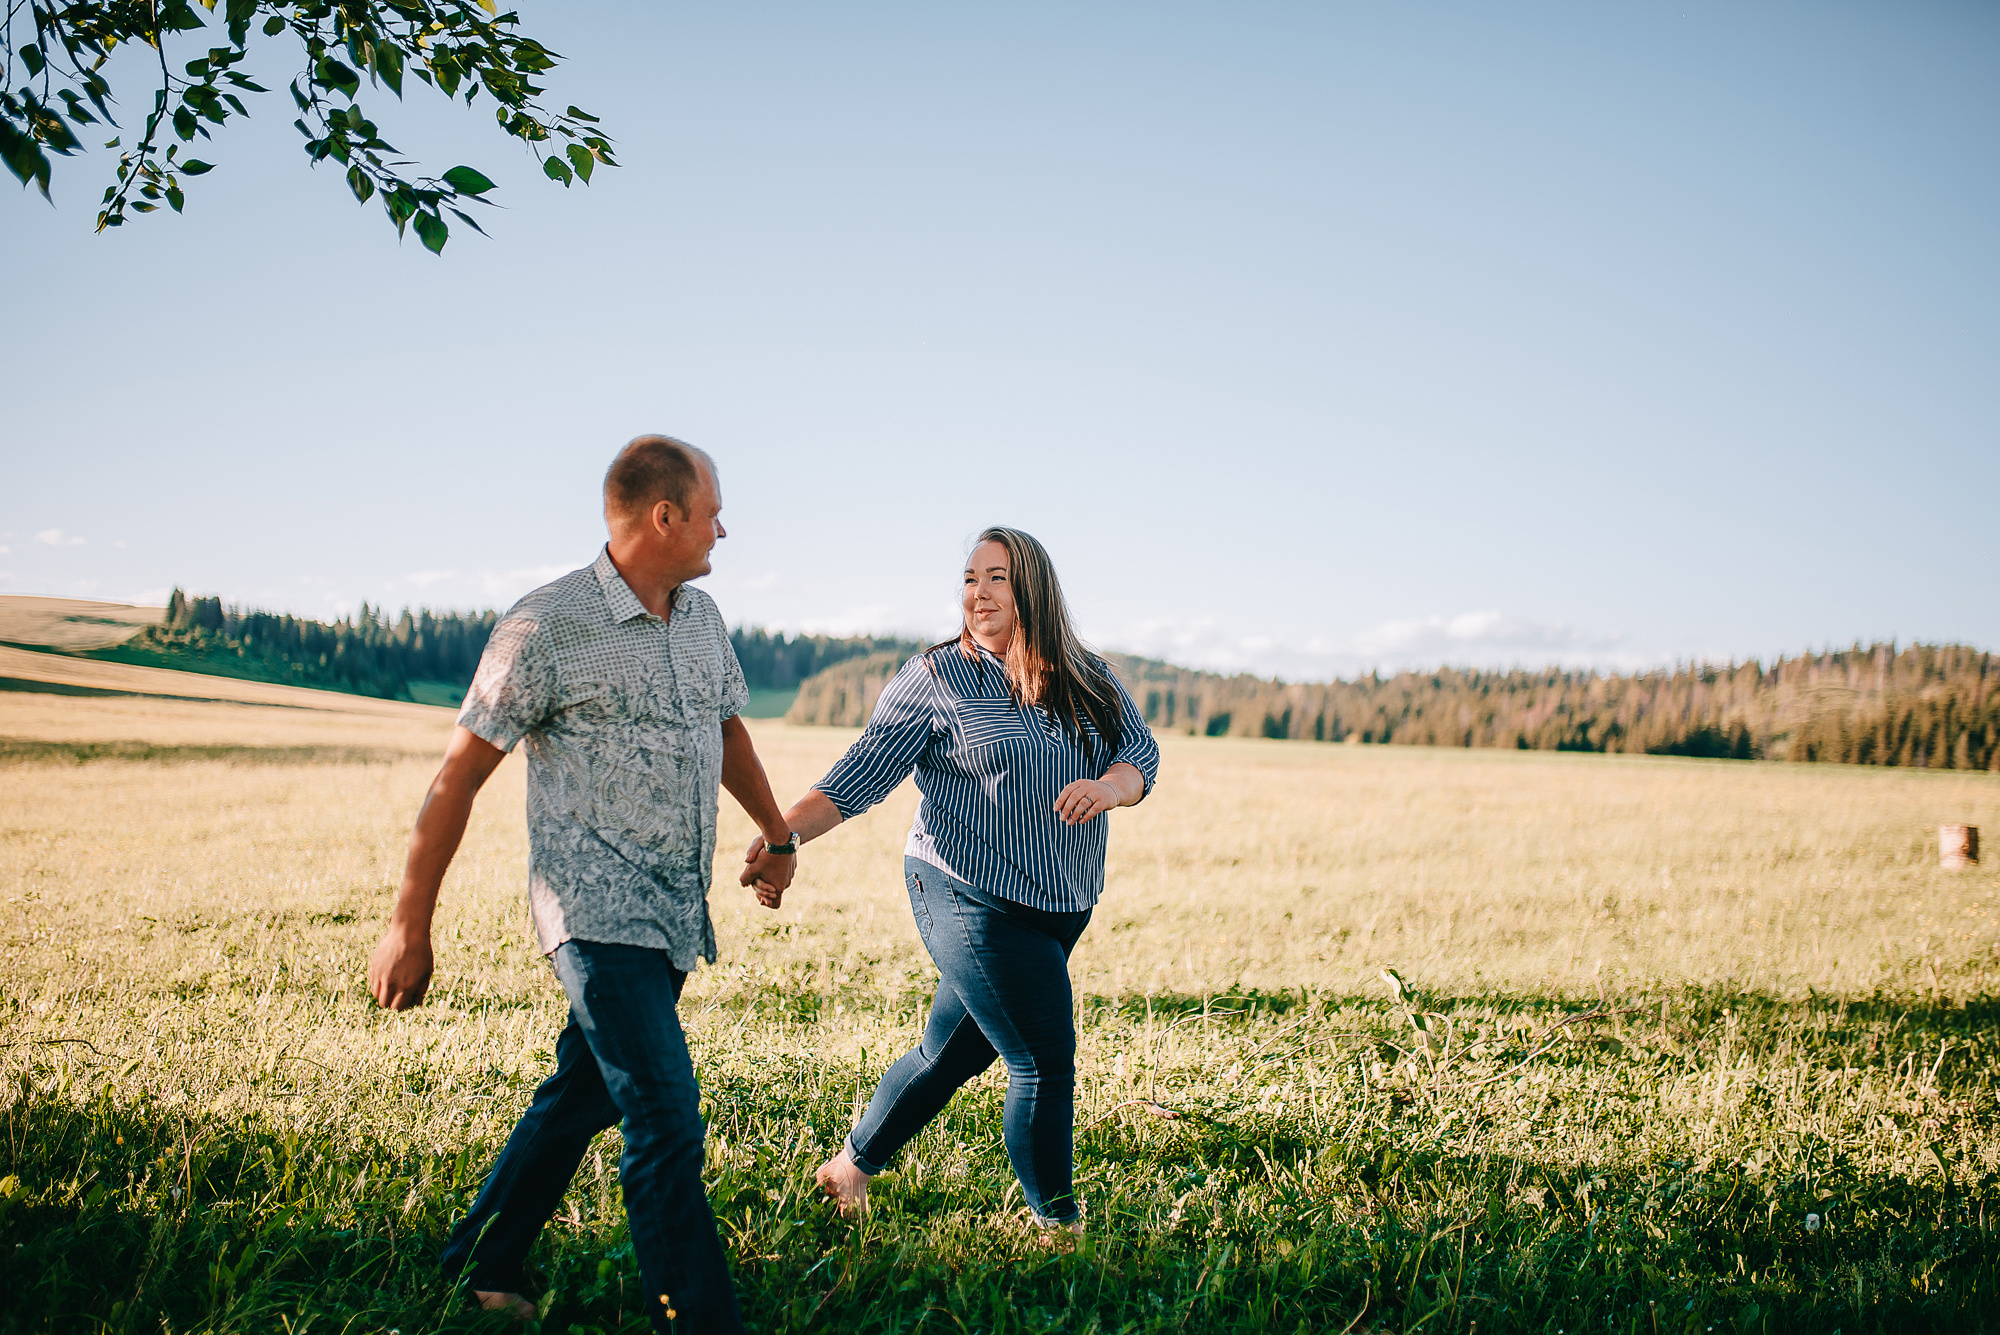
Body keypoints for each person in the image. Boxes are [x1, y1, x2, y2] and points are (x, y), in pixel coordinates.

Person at [366, 435, 798, 1335]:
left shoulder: (703, 619)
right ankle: (697, 1318)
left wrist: (776, 830)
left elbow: (726, 733)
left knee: (586, 1089)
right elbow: (457, 777)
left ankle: (479, 1256)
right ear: (663, 515)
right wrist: (410, 923)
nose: (727, 525)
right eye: (713, 507)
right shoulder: (547, 625)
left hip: (674, 909)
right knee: (666, 1118)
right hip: (592, 912)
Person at [743, 526, 1160, 1230]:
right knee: (1042, 1058)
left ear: (1032, 589)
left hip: (1060, 899)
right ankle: (1060, 1224)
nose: (978, 593)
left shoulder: (1087, 674)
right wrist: (783, 836)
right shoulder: (936, 678)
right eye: (970, 578)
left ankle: (847, 1168)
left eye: (996, 577)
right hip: (964, 889)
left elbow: (1138, 752)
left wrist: (1111, 788)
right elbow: (860, 774)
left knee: (948, 1054)